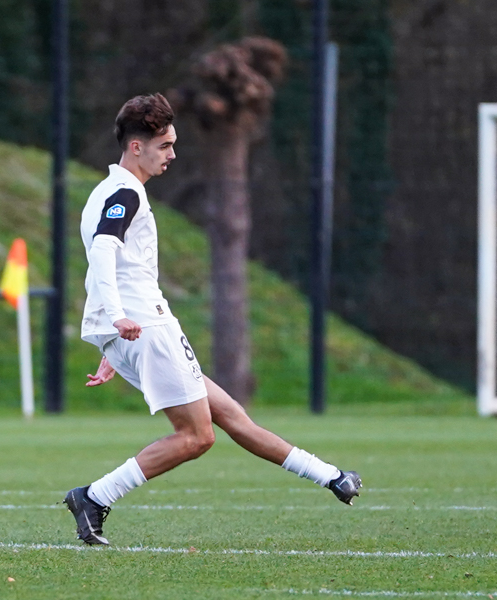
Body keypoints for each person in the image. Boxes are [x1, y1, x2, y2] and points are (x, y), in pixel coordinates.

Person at [64, 93, 362, 546]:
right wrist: (120, 318)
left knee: (230, 414)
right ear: (136, 146)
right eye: (164, 145)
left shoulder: (107, 191)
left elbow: (113, 261)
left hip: (136, 329)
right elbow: (105, 249)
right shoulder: (124, 191)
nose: (173, 154)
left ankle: (334, 477)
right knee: (198, 437)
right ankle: (94, 496)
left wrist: (113, 335)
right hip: (148, 325)